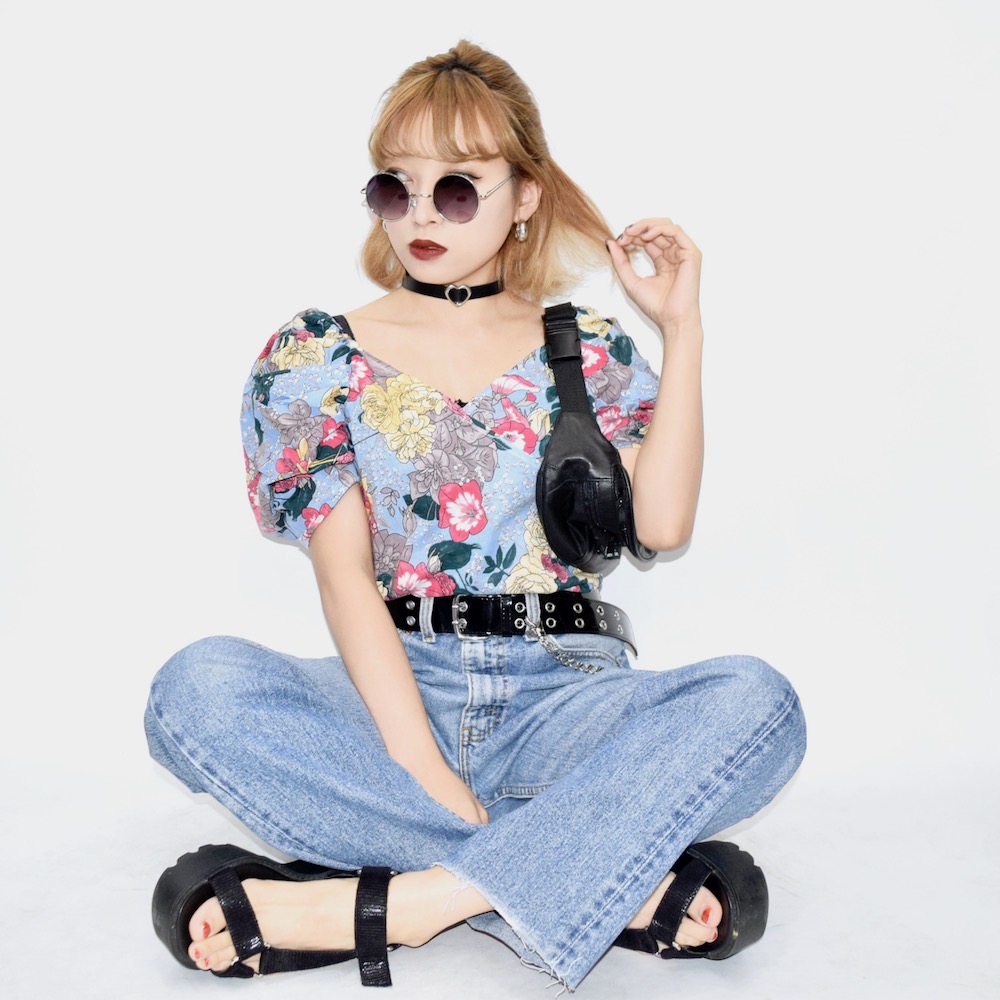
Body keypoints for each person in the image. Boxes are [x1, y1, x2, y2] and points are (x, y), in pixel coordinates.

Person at [145, 39, 806, 992]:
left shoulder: (587, 349)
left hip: (563, 695)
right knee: (195, 688)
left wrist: (682, 327)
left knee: (758, 704)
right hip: (391, 691)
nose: (421, 213)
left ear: (524, 195)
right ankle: (598, 879)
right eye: (396, 187)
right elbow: (343, 578)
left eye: (456, 190)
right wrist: (422, 764)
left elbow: (662, 527)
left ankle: (405, 905)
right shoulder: (320, 354)